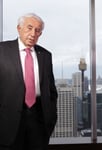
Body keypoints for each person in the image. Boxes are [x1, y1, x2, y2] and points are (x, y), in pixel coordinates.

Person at [0, 13, 58, 150]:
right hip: (7, 122)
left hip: (38, 120)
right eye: (29, 28)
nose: (33, 33)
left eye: (37, 30)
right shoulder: (2, 50)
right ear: (19, 28)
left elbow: (51, 91)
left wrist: (51, 117)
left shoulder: (45, 55)